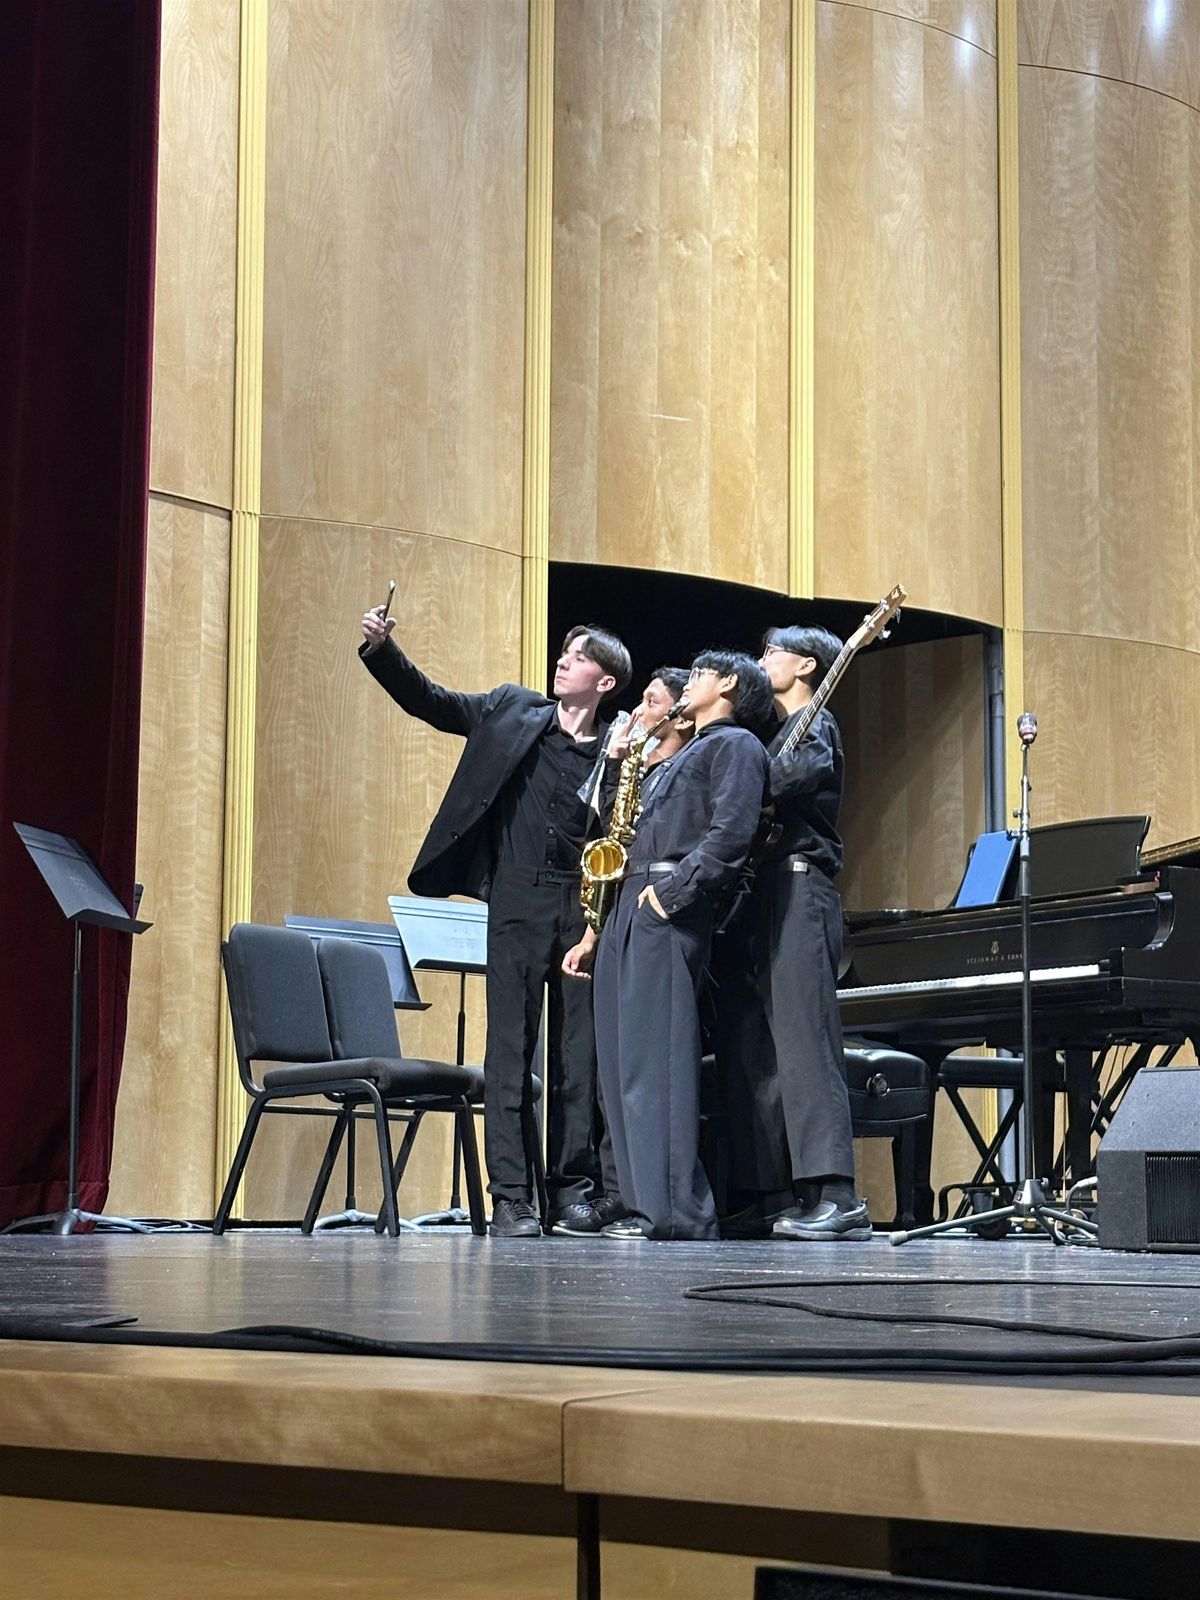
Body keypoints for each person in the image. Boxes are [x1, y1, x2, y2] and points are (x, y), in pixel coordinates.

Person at [359, 603, 631, 1238]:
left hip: (584, 908)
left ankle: (570, 1191)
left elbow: (620, 826)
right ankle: (512, 1196)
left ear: (605, 682)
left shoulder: (620, 747)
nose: (564, 661)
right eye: (565, 652)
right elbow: (432, 702)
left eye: (579, 657)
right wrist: (383, 650)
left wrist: (620, 762)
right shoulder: (513, 709)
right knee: (510, 1052)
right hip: (517, 902)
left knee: (578, 1056)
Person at [564, 651, 772, 1241]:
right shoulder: (678, 756)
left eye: (700, 675)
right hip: (629, 902)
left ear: (728, 684)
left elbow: (730, 836)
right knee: (621, 1068)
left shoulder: (736, 745)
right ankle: (641, 1205)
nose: (688, 685)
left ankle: (677, 1212)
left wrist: (671, 896)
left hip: (664, 904)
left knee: (658, 1065)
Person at [719, 624, 869, 1240]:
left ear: (806, 665)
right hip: (761, 893)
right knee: (753, 1048)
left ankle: (837, 1194)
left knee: (806, 1043)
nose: (761, 661)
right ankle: (771, 1192)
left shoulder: (817, 725)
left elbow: (780, 783)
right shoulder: (771, 735)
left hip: (801, 886)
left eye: (770, 652)